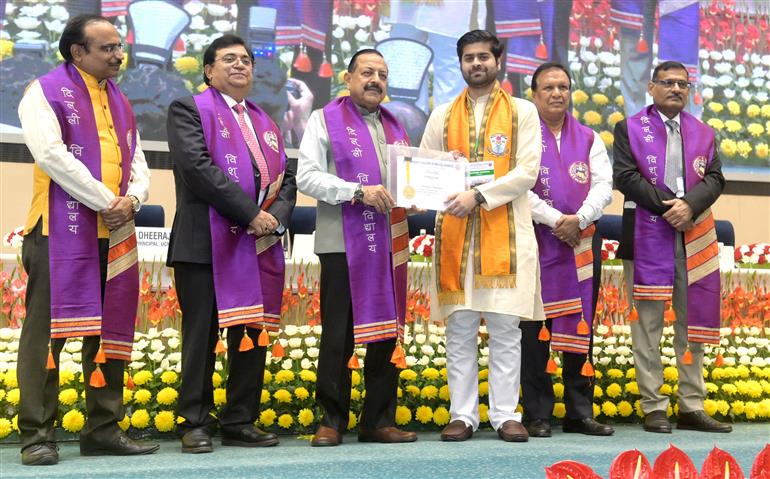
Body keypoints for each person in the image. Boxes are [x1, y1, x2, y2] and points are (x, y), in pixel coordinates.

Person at [16, 14, 158, 465]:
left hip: (114, 233)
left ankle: (102, 429)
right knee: (47, 337)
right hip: (58, 232)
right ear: (77, 52)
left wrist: (132, 199)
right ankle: (38, 435)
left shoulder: (120, 100)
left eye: (119, 47)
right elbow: (51, 154)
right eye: (107, 48)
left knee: (110, 332)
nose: (119, 55)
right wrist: (105, 200)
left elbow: (136, 157)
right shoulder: (43, 91)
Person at [166, 34, 297, 453]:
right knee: (201, 337)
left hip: (257, 245)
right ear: (209, 70)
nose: (240, 65)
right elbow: (197, 168)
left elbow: (286, 180)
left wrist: (275, 218)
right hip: (203, 244)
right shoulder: (188, 108)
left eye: (245, 60)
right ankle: (194, 422)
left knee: (250, 335)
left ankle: (240, 419)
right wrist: (250, 214)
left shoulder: (267, 121)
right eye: (229, 59)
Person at [420, 30, 543, 443]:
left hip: (505, 236)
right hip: (456, 237)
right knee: (460, 329)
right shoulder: (441, 115)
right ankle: (463, 415)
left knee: (507, 329)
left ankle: (506, 415)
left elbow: (527, 172)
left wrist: (478, 195)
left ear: (498, 61)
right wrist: (442, 174)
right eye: (469, 57)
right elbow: (424, 169)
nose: (476, 63)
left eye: (483, 57)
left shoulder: (524, 112)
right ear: (460, 63)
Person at [297, 49, 417, 447]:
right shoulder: (323, 119)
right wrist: (355, 192)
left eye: (382, 74)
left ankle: (378, 420)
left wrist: (429, 184)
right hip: (342, 245)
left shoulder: (396, 126)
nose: (375, 80)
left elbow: (406, 182)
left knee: (387, 334)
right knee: (338, 335)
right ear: (348, 78)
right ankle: (331, 420)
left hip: (389, 243)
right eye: (367, 72)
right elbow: (306, 177)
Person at [613, 60, 730, 434]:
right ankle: (654, 405)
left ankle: (691, 405)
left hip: (693, 235)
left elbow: (715, 177)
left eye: (682, 83)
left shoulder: (703, 133)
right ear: (651, 87)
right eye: (668, 82)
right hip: (647, 232)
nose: (676, 89)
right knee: (646, 326)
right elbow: (625, 177)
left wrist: (690, 206)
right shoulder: (629, 128)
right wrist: (670, 207)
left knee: (690, 321)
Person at [522, 62, 614, 438]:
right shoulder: (523, 137)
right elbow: (516, 186)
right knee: (535, 334)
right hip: (536, 244)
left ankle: (579, 412)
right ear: (534, 94)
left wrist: (580, 218)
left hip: (581, 246)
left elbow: (604, 186)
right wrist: (555, 219)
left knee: (581, 330)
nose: (557, 93)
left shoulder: (590, 138)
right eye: (548, 87)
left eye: (563, 86)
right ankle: (537, 414)